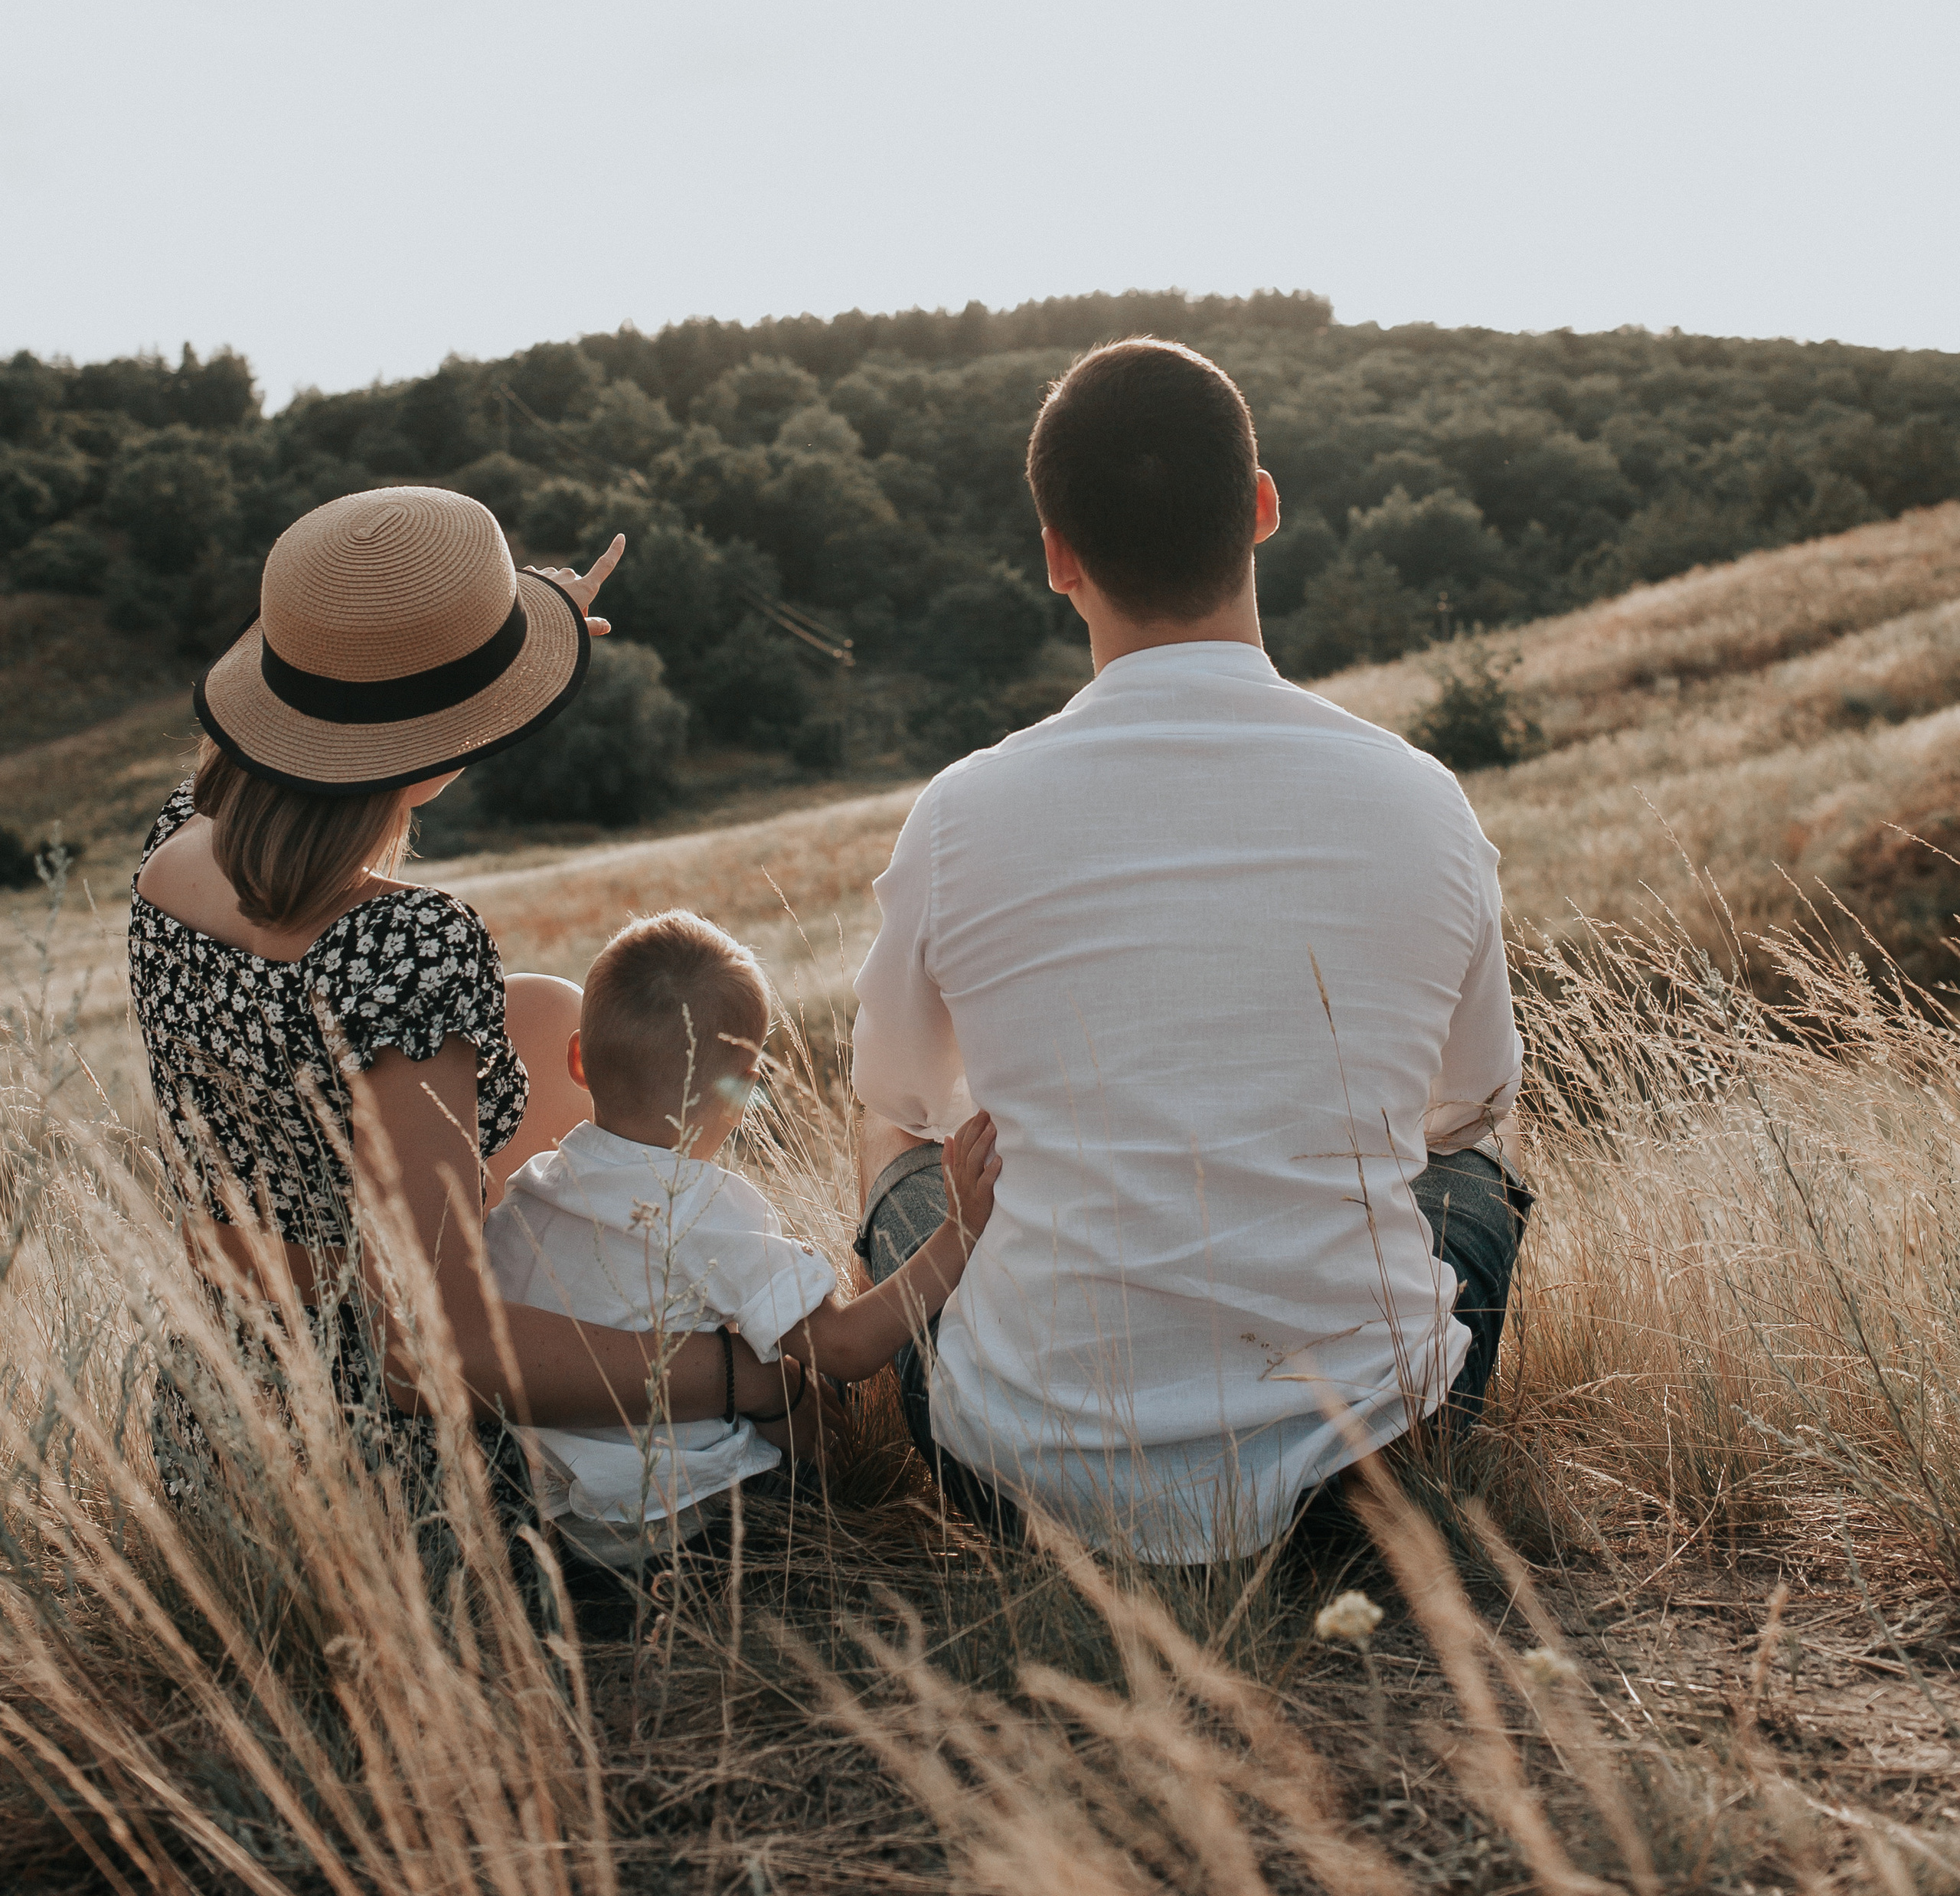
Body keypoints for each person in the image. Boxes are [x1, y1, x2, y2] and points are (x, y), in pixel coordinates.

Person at [851, 337, 1530, 1563]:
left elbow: (898, 1101)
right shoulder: (1424, 799)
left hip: (1020, 1477)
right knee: (1478, 1174)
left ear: (1058, 557)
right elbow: (1470, 1106)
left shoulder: (960, 814)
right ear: (1262, 508)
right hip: (1368, 1457)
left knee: (898, 1163)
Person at [129, 484, 822, 1536]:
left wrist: (514, 614)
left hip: (215, 1401)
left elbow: (326, 658)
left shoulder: (178, 835)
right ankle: (656, 1307)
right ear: (443, 741)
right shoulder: (407, 946)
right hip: (351, 1454)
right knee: (550, 1032)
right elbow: (423, 1357)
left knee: (541, 1016)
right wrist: (737, 1376)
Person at [483, 907, 999, 1564]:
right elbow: (845, 1347)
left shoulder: (531, 1188)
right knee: (818, 1380)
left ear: (577, 1060)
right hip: (692, 1521)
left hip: (559, 1520)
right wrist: (958, 1230)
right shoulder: (708, 1210)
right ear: (740, 1093)